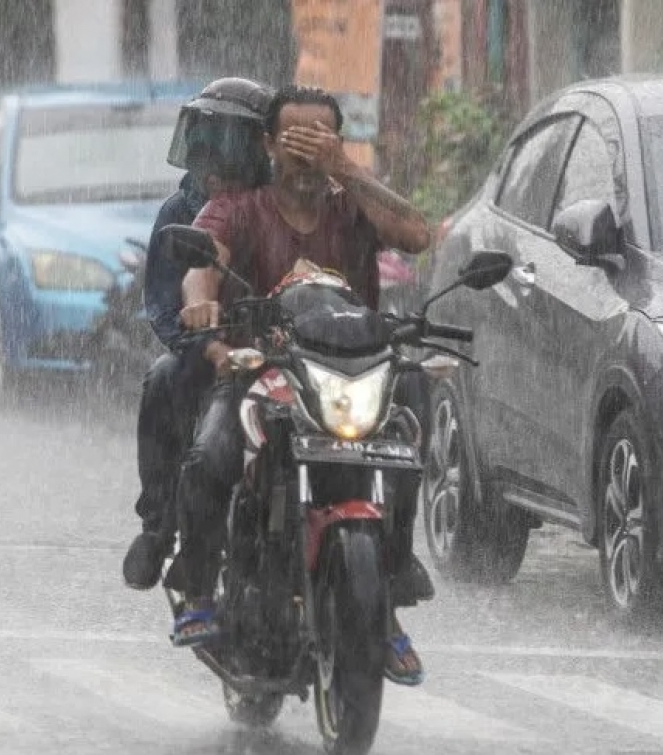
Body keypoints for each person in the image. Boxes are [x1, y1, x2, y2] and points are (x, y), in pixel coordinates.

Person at [171, 84, 434, 686]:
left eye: (322, 138)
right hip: (262, 373)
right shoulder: (239, 208)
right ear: (267, 144)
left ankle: (388, 588)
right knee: (211, 452)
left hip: (352, 376)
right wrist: (201, 305)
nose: (307, 150)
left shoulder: (353, 207)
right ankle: (197, 592)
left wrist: (348, 171)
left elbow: (417, 235)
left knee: (412, 410)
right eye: (294, 137)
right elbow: (202, 265)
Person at [121, 77, 275, 590]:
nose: (212, 160)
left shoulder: (277, 209)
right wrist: (204, 342)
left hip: (282, 354)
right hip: (205, 352)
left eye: (230, 142)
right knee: (162, 378)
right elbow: (165, 307)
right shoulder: (176, 211)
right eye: (205, 140)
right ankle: (159, 526)